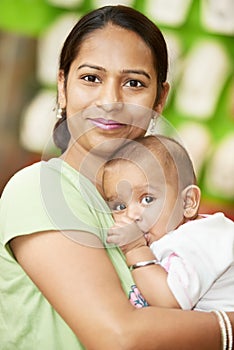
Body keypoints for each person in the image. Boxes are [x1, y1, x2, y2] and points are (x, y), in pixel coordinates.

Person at [0, 5, 233, 350]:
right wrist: (227, 325)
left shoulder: (163, 203)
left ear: (159, 100)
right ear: (63, 87)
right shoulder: (38, 189)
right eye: (91, 78)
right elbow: (118, 336)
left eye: (134, 83)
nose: (110, 101)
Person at [104, 134, 234, 312]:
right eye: (120, 205)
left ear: (187, 202)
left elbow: (169, 302)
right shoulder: (176, 234)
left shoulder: (198, 240)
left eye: (147, 199)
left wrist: (136, 249)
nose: (132, 214)